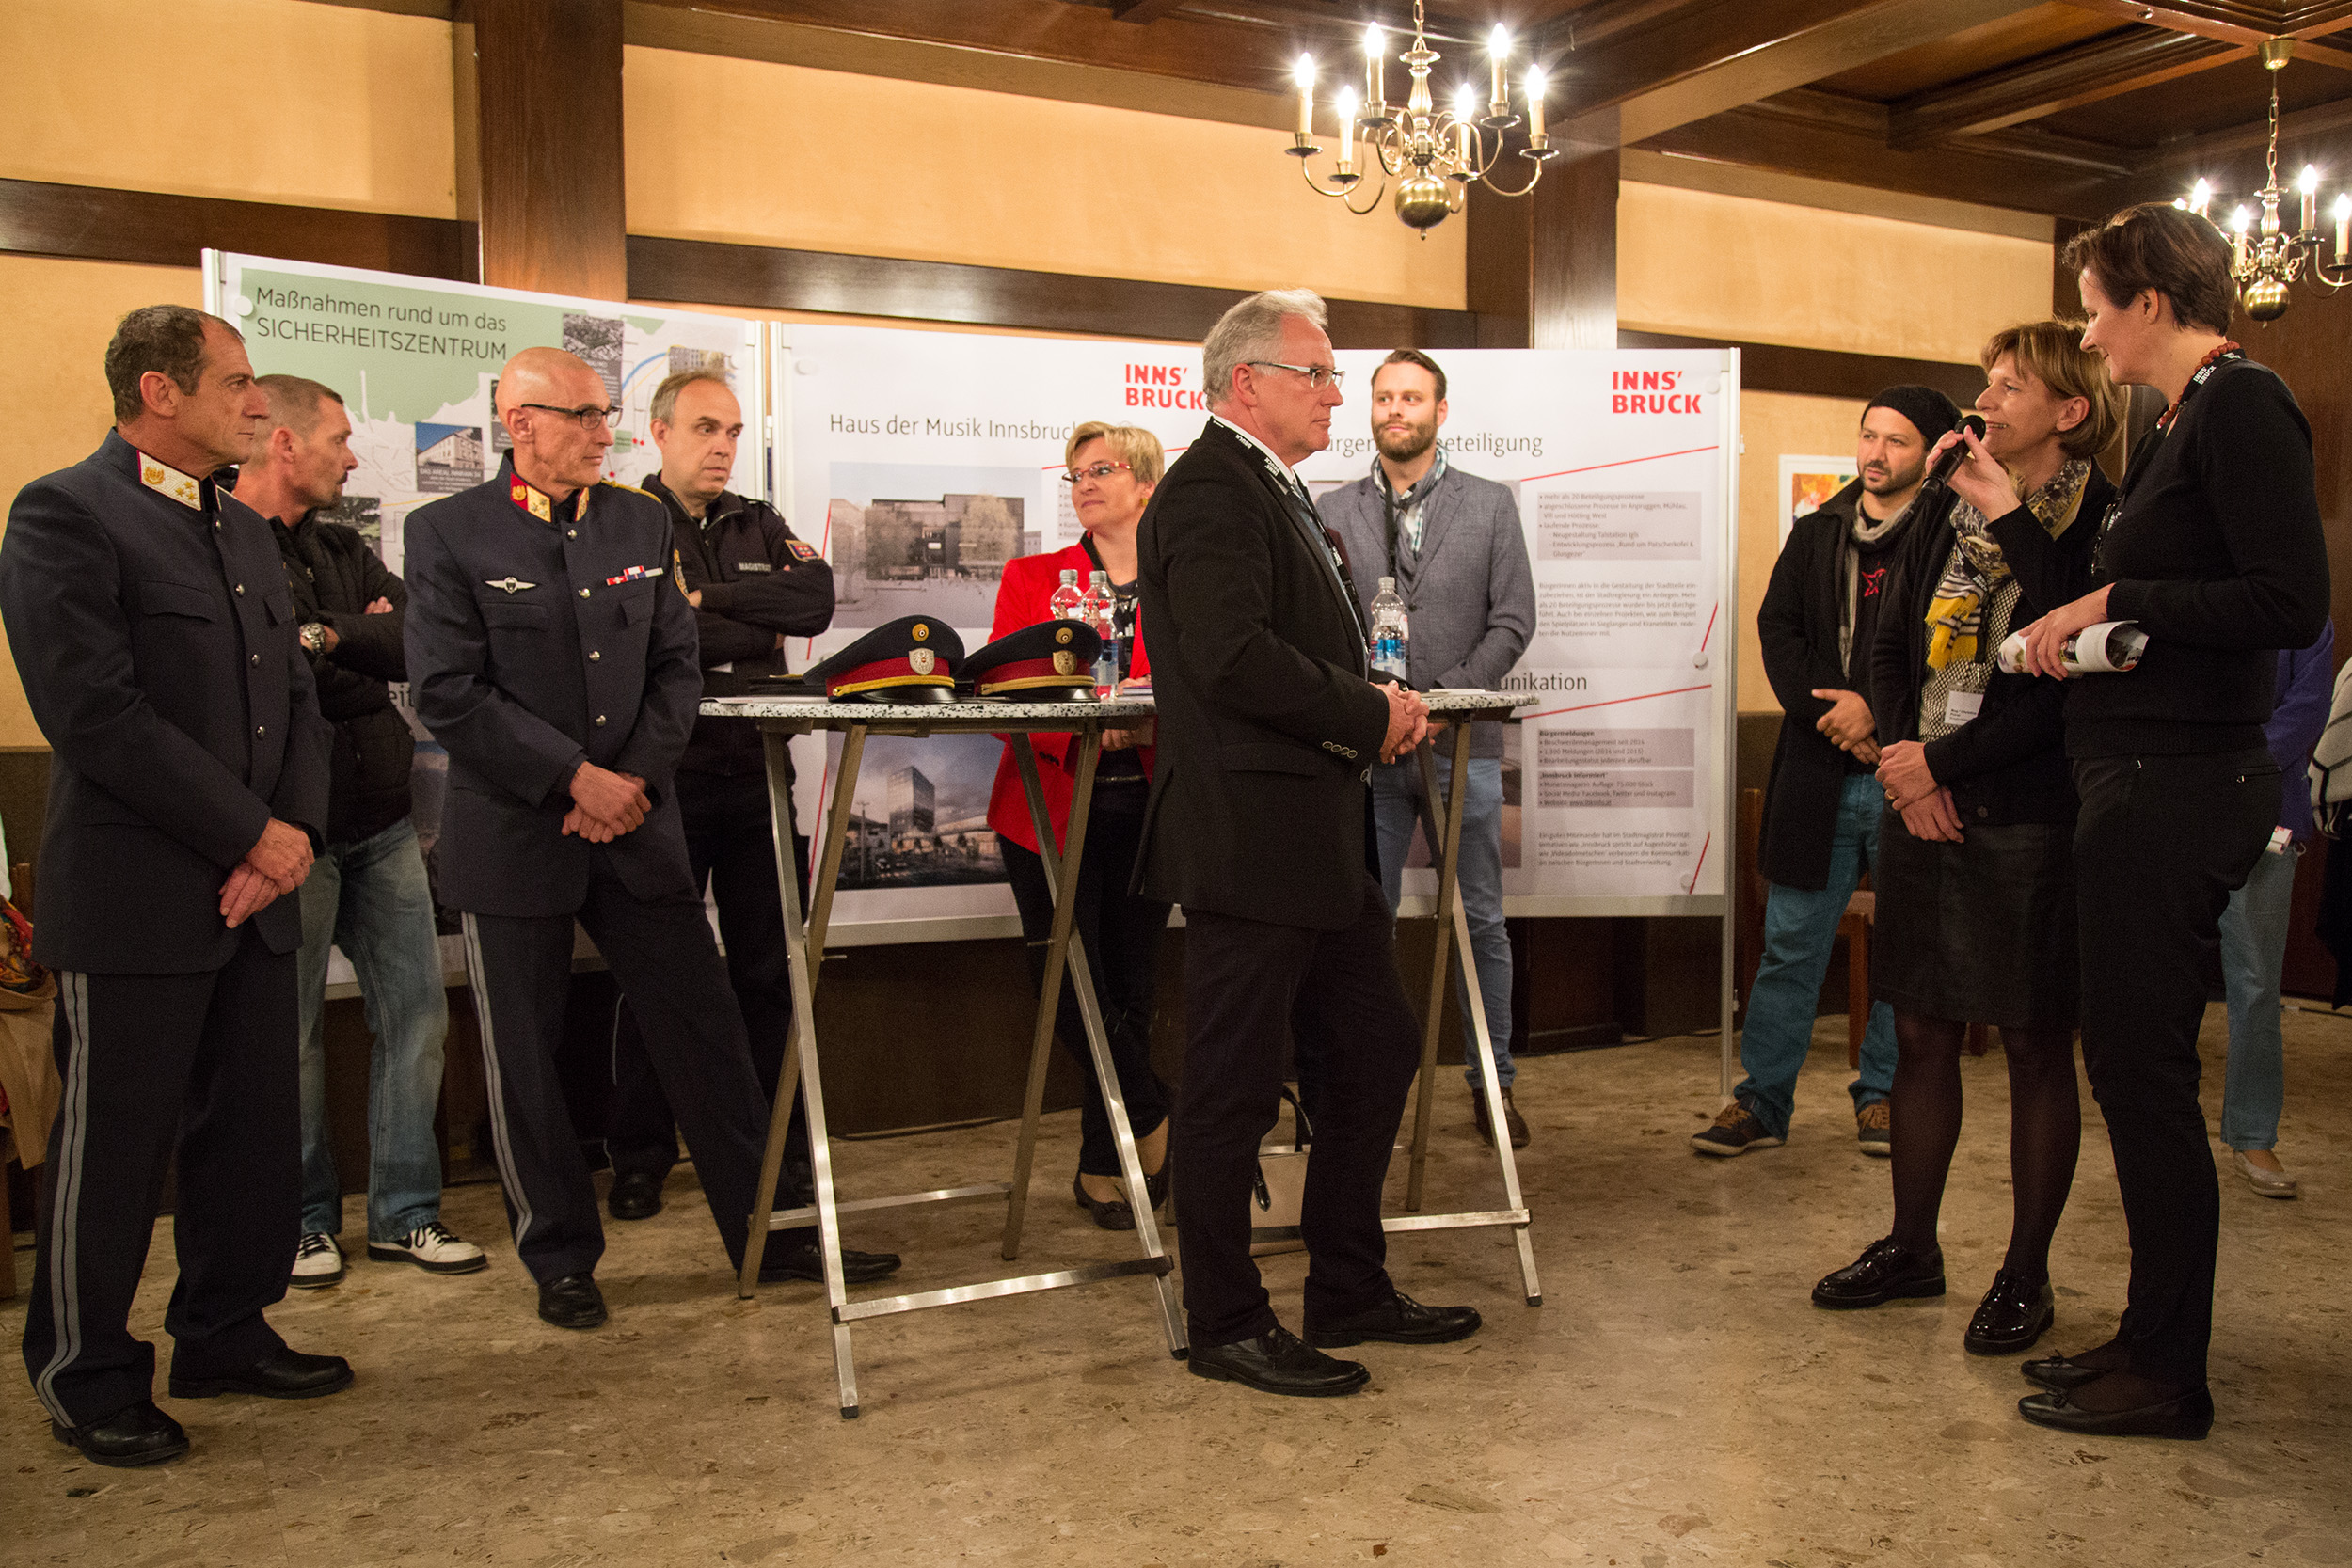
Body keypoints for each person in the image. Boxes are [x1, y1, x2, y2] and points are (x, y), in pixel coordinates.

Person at [402, 347, 891, 1332]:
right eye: (581, 416)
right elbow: (449, 690)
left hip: (635, 818)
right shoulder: (447, 531)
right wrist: (569, 777)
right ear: (518, 420)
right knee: (529, 1058)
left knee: (705, 1030)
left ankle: (772, 1228)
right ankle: (561, 1257)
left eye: (605, 416)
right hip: (518, 830)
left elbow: (677, 668)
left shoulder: (635, 520)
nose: (602, 433)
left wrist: (626, 779)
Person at [3, 306, 347, 1467]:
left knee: (249, 1131)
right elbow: (95, 712)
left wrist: (289, 831)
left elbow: (296, 702)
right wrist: (252, 833)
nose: (259, 402)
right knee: (115, 1147)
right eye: (238, 382)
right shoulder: (65, 512)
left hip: (260, 891)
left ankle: (224, 1328)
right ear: (161, 391)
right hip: (145, 894)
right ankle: (84, 1367)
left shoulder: (244, 529)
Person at [2010, 204, 2328, 1438]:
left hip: (2179, 782)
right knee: (2129, 1069)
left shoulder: (2244, 403)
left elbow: (2289, 596)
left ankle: (2168, 1371)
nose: (2087, 325)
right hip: (2140, 772)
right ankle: (2149, 1335)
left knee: (2141, 1077)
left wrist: (2117, 592)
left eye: (2094, 302)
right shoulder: (2188, 416)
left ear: (2150, 302)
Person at [1136, 288, 1480, 1399]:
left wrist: (1367, 692)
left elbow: (1281, 641)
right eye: (1320, 373)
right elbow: (1229, 654)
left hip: (1314, 838)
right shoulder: (1205, 492)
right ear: (1250, 383)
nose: (1341, 391)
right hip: (1253, 836)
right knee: (1231, 1085)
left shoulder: (1270, 489)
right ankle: (1226, 1320)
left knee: (1374, 1050)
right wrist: (1366, 709)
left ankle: (1347, 1284)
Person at [1812, 322, 2122, 1356]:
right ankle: (1912, 1246)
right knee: (1923, 1031)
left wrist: (1944, 769)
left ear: (2067, 411)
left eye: (2007, 386)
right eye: (1982, 383)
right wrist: (1906, 765)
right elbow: (1891, 638)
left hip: (2030, 809)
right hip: (1925, 799)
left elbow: (2067, 681)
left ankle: (2024, 1273)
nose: (1981, 402)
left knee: (2036, 1043)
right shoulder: (1945, 509)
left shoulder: (2099, 523)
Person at [601, 370, 892, 1283]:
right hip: (665, 783)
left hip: (757, 775)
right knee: (660, 976)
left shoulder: (760, 520)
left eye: (731, 429)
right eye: (702, 427)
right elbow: (655, 636)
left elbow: (811, 604)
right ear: (657, 433)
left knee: (771, 973)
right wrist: (718, 619)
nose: (720, 444)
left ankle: (779, 1156)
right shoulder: (628, 521)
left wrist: (707, 602)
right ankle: (643, 1154)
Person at [232, 374, 485, 1290]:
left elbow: (423, 641)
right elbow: (256, 679)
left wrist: (323, 638)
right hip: (288, 836)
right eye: (339, 438)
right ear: (286, 445)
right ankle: (302, 1224)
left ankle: (405, 1216)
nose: (353, 455)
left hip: (382, 826)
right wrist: (349, 644)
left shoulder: (342, 545)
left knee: (416, 1015)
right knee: (289, 1036)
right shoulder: (221, 543)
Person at [1697, 386, 1960, 1158]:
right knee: (1790, 945)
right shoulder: (1818, 533)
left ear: (1935, 451)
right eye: (1868, 436)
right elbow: (1777, 630)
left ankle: (1881, 1095)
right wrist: (1831, 714)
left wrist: (1875, 713)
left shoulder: (1953, 537)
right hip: (1816, 772)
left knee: (1903, 952)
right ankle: (1762, 1102)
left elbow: (1950, 648)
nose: (1876, 454)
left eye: (1898, 441)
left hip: (1906, 774)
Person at [1319, 350, 1536, 1148]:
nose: (1395, 409)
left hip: (1461, 745)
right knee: (1359, 918)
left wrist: (1439, 704)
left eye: (1411, 397)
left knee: (1479, 920)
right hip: (1368, 750)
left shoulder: (1490, 505)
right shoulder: (1330, 508)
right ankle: (1358, 1084)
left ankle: (1493, 1083)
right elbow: (1323, 626)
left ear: (1441, 411)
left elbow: (1512, 619)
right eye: (1383, 397)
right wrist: (1379, 709)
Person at [987, 421, 1172, 1229]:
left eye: (1103, 469)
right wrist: (1095, 726)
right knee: (1069, 981)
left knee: (1131, 987)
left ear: (1146, 483)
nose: (1085, 484)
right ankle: (1157, 1113)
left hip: (1152, 806)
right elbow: (1000, 694)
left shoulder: (1183, 578)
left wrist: (1148, 724)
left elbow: (1211, 687)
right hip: (1052, 804)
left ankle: (1106, 1165)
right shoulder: (1033, 576)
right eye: (1075, 473)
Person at [2217, 624, 2332, 1200]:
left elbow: (2309, 707)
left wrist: (2233, 768)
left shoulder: (2303, 614)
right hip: (2168, 804)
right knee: (2157, 978)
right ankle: (2156, 1128)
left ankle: (2252, 1131)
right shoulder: (2187, 588)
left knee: (2257, 983)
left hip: (2265, 814)